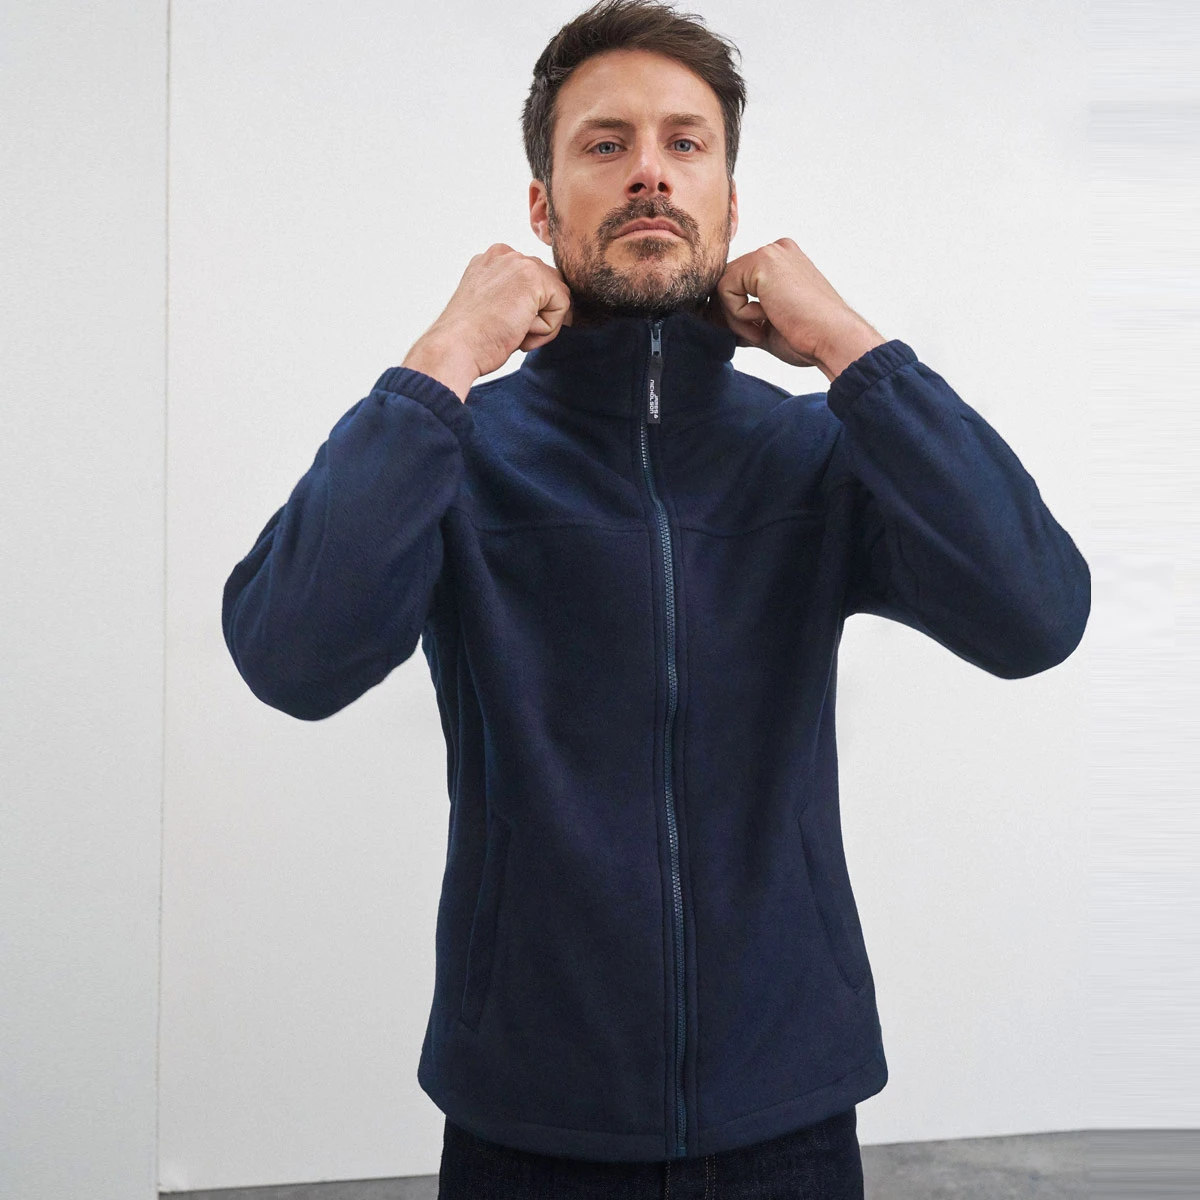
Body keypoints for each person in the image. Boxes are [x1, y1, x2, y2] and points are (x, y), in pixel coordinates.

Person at [221, 0, 1091, 1195]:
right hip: (528, 1114)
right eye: (606, 143)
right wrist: (444, 358)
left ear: (729, 201)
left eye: (686, 143)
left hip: (787, 1101)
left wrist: (851, 347)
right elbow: (289, 657)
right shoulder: (453, 452)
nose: (650, 173)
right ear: (541, 208)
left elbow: (1037, 614)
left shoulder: (813, 455)